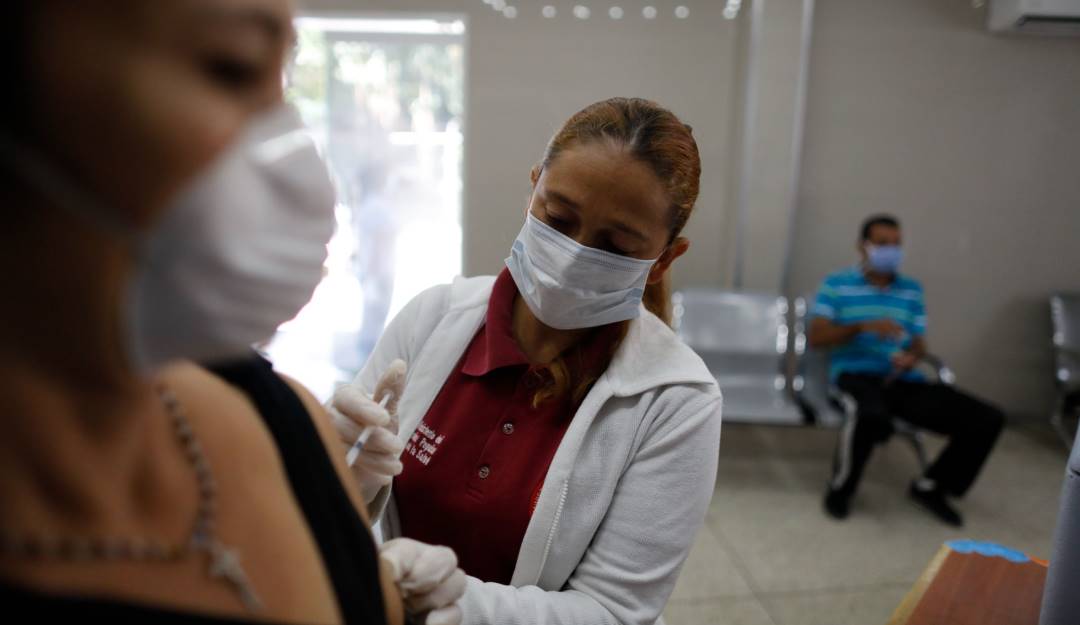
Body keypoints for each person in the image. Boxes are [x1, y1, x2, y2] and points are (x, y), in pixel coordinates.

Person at [0, 1, 463, 623]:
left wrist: (368, 575)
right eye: (233, 66)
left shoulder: (277, 419)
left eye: (284, 83)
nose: (296, 156)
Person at [332, 97, 724, 625]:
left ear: (663, 260)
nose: (573, 255)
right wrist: (342, 475)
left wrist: (450, 602)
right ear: (534, 187)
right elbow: (329, 509)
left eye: (616, 246)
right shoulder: (432, 318)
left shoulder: (676, 400)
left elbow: (613, 612)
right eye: (558, 219)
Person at [809, 214, 1005, 527]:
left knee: (987, 418)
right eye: (882, 243)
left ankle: (931, 487)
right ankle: (840, 490)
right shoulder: (836, 285)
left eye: (896, 244)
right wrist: (861, 326)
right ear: (863, 246)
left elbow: (918, 342)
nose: (891, 250)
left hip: (902, 379)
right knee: (868, 414)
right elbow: (817, 337)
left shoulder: (911, 290)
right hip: (855, 376)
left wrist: (913, 356)